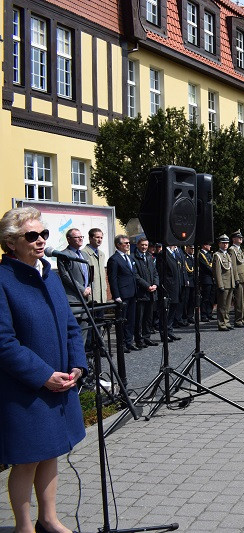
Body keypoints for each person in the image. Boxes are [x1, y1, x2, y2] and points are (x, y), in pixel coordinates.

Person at [0, 207, 87, 533]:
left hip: (60, 384)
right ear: (11, 242)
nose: (40, 241)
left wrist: (77, 365)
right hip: (24, 389)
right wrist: (43, 375)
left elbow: (70, 326)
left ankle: (48, 518)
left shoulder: (49, 276)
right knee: (26, 460)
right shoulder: (3, 280)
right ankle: (24, 527)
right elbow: (3, 342)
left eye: (44, 234)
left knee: (51, 452)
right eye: (31, 236)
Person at [107, 234, 139, 353]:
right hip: (123, 294)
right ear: (118, 245)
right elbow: (113, 278)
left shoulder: (129, 258)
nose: (128, 245)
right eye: (125, 243)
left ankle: (129, 342)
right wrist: (116, 296)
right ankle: (122, 343)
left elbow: (133, 275)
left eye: (128, 243)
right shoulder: (114, 259)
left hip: (132, 293)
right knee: (122, 320)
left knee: (131, 320)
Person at [133, 237, 159, 348]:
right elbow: (136, 276)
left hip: (151, 292)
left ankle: (147, 337)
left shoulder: (149, 257)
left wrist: (155, 285)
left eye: (146, 245)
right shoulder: (133, 258)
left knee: (149, 317)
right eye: (142, 245)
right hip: (141, 293)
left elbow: (155, 273)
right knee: (140, 318)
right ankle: (139, 339)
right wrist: (147, 286)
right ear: (138, 245)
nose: (144, 247)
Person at [212, 234, 234, 331]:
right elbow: (217, 272)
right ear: (219, 244)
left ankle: (226, 321)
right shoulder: (217, 255)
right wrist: (220, 285)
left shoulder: (227, 255)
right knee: (222, 305)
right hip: (223, 284)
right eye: (223, 243)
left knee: (228, 305)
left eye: (226, 243)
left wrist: (233, 282)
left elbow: (231, 270)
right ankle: (221, 323)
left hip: (230, 283)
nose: (225, 245)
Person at [83, 228, 108, 309]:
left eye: (101, 238)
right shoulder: (83, 253)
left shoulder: (102, 254)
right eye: (97, 237)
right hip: (91, 296)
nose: (100, 240)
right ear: (90, 238)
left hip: (102, 296)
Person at [228, 230, 244, 327]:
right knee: (239, 300)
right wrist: (236, 278)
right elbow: (233, 265)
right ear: (233, 239)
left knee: (243, 300)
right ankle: (238, 320)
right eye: (238, 237)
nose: (241, 239)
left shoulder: (240, 250)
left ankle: (243, 318)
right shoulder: (232, 249)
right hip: (239, 278)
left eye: (241, 237)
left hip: (243, 277)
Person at [197, 241, 215, 322]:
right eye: (209, 244)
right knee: (205, 297)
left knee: (211, 297)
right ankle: (203, 315)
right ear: (204, 245)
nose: (210, 246)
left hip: (211, 278)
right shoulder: (200, 254)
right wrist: (215, 271)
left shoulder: (209, 254)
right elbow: (205, 266)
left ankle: (209, 313)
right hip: (206, 278)